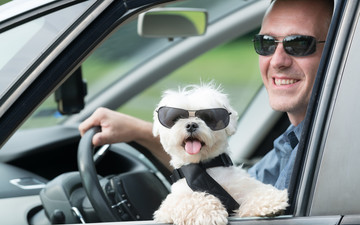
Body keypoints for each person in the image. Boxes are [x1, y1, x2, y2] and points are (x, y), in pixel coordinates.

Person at [79, 0, 333, 190]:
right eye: (266, 43)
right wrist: (141, 131)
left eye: (298, 44)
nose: (277, 60)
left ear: (337, 49)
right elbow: (231, 190)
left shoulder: (333, 147)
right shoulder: (297, 139)